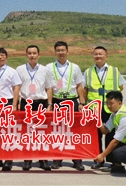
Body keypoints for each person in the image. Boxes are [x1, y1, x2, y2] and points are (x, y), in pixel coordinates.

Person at [84, 46, 126, 171]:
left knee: (111, 135)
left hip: (110, 109)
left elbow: (121, 87)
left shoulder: (114, 70)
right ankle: (98, 160)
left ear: (106, 56)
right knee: (96, 136)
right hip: (95, 110)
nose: (98, 56)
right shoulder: (88, 72)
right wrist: (84, 105)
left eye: (101, 54)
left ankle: (113, 161)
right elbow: (85, 90)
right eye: (96, 54)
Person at [46, 41, 86, 171]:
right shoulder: (49, 67)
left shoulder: (75, 67)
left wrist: (81, 102)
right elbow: (49, 88)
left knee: (74, 131)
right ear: (55, 52)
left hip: (71, 101)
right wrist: (50, 104)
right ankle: (57, 159)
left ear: (67, 51)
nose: (61, 53)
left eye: (63, 50)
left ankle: (77, 160)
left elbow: (79, 86)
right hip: (57, 101)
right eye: (58, 50)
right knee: (57, 131)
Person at [15, 45, 53, 171]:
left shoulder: (45, 70)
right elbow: (17, 88)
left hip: (41, 103)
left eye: (34, 53)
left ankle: (43, 159)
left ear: (39, 55)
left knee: (42, 132)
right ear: (26, 55)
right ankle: (27, 159)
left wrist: (49, 104)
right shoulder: (20, 69)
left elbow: (49, 88)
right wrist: (17, 104)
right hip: (26, 103)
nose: (32, 55)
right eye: (30, 53)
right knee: (27, 132)